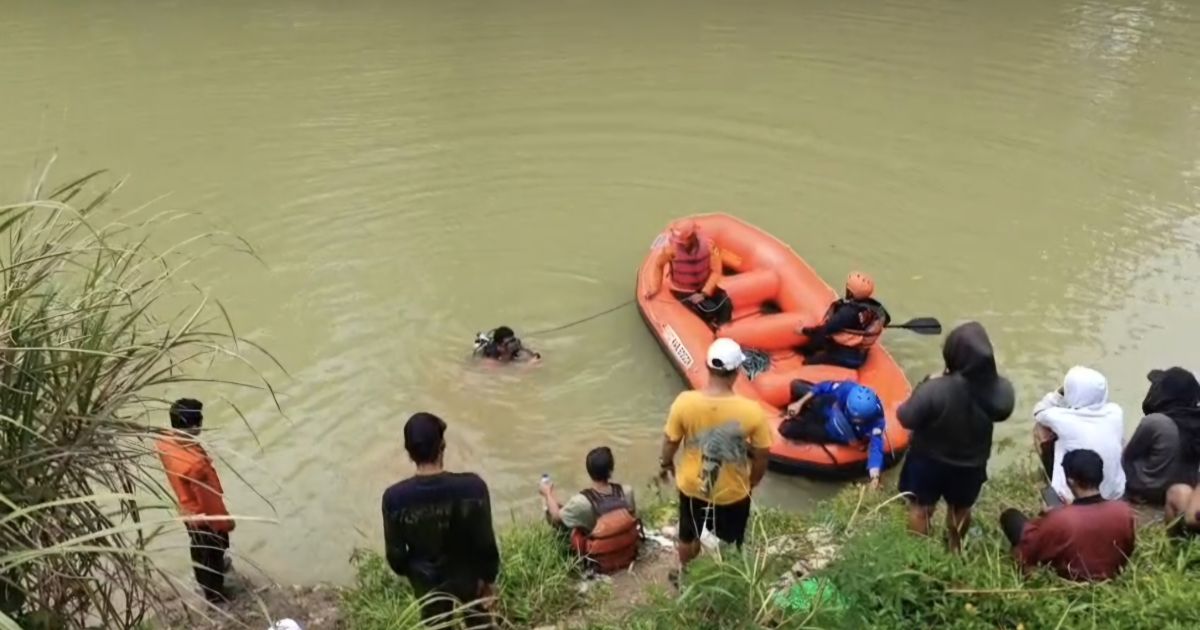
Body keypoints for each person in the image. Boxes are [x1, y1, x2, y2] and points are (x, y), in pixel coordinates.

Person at [896, 321, 1015, 552]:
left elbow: (906, 417)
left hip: (928, 462)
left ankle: (918, 554)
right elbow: (1003, 411)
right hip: (971, 465)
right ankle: (955, 548)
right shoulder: (1001, 392)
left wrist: (927, 383)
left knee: (921, 508)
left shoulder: (935, 389)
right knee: (961, 509)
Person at [659, 338, 772, 573]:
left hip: (692, 487)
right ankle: (726, 576)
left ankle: (685, 572)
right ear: (737, 371)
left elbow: (670, 442)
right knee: (731, 541)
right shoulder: (752, 411)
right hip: (733, 491)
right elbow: (762, 455)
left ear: (708, 367)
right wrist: (752, 482)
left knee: (688, 534)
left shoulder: (684, 402)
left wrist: (666, 462)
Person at [382, 413, 500, 627]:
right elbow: (485, 544)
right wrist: (488, 578)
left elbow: (396, 557)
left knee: (437, 625)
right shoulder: (473, 487)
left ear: (409, 453)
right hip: (470, 576)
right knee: (479, 623)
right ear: (442, 446)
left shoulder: (395, 498)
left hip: (427, 582)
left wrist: (416, 574)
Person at [999, 449, 1136, 581]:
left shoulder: (1060, 519)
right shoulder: (1123, 510)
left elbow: (1030, 550)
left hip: (1070, 579)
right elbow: (1128, 548)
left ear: (1070, 481)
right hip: (1109, 575)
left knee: (1011, 517)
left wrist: (1045, 517)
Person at [154, 398, 234, 604]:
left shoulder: (165, 442)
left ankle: (207, 579)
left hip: (187, 510)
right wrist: (225, 522)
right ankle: (215, 595)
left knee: (200, 549)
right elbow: (209, 503)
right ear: (193, 426)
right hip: (204, 517)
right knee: (213, 550)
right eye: (199, 420)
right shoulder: (196, 466)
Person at [1031, 366, 1125, 502]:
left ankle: (1055, 484)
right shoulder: (1116, 412)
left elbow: (1039, 412)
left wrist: (1061, 393)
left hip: (1074, 496)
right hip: (1115, 492)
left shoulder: (1062, 418)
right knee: (1116, 437)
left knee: (1040, 428)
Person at [540, 446, 640, 573]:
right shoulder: (626, 492)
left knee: (558, 515)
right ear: (611, 469)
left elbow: (555, 516)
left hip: (599, 563)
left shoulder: (581, 502)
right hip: (627, 553)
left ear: (589, 471)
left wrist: (547, 493)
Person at [779, 380, 887, 488]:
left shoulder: (877, 421)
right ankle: (804, 410)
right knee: (796, 385)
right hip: (829, 409)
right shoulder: (847, 389)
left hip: (833, 432)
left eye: (859, 419)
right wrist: (799, 403)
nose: (856, 420)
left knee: (786, 429)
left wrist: (874, 478)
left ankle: (805, 418)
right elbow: (824, 386)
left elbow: (876, 449)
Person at [1123, 367, 1200, 505]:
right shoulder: (1196, 419)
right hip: (1186, 487)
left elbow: (1129, 455)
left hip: (1151, 490)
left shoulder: (1156, 422)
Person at [643, 219, 733, 328]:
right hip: (682, 290)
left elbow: (716, 270)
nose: (680, 243)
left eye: (683, 240)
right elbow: (659, 265)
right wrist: (655, 287)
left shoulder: (708, 245)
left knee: (726, 303)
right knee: (705, 308)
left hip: (704, 284)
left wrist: (704, 292)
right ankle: (709, 327)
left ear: (692, 236)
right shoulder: (671, 249)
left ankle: (723, 329)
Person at [797, 271, 890, 369]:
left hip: (847, 356)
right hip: (859, 352)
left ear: (850, 292)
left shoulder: (847, 313)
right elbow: (885, 322)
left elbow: (824, 331)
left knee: (807, 362)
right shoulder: (878, 308)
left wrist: (803, 332)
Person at [473, 326, 540, 362]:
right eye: (508, 344)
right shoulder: (492, 357)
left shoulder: (516, 348)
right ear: (499, 346)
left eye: (513, 341)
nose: (512, 345)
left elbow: (534, 358)